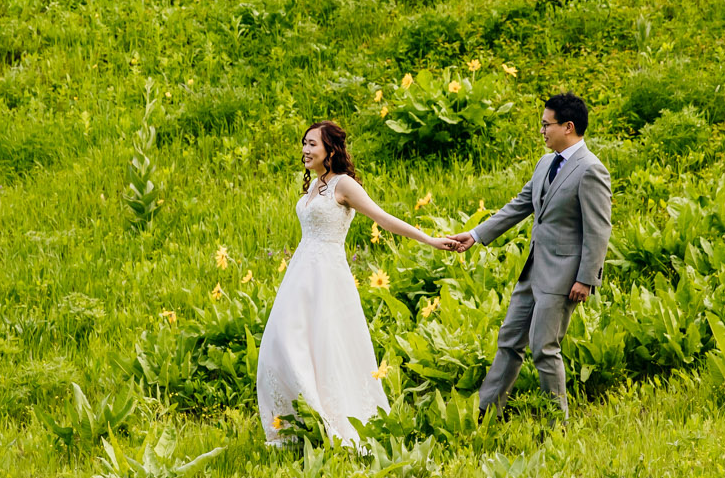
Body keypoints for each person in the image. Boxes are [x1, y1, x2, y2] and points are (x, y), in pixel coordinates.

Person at [257, 121, 457, 448]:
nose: (306, 150)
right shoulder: (314, 185)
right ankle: (297, 422)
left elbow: (383, 218)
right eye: (304, 144)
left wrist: (429, 239)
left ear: (330, 150)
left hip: (327, 277)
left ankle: (329, 421)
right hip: (301, 274)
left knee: (327, 347)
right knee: (278, 344)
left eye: (312, 144)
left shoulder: (343, 185)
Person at [443, 92, 611, 419]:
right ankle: (486, 412)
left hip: (564, 277)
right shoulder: (545, 163)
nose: (542, 131)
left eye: (547, 125)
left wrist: (586, 280)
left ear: (569, 126)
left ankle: (555, 423)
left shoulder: (591, 170)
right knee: (509, 340)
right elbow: (519, 206)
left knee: (544, 349)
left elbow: (598, 229)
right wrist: (475, 235)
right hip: (533, 271)